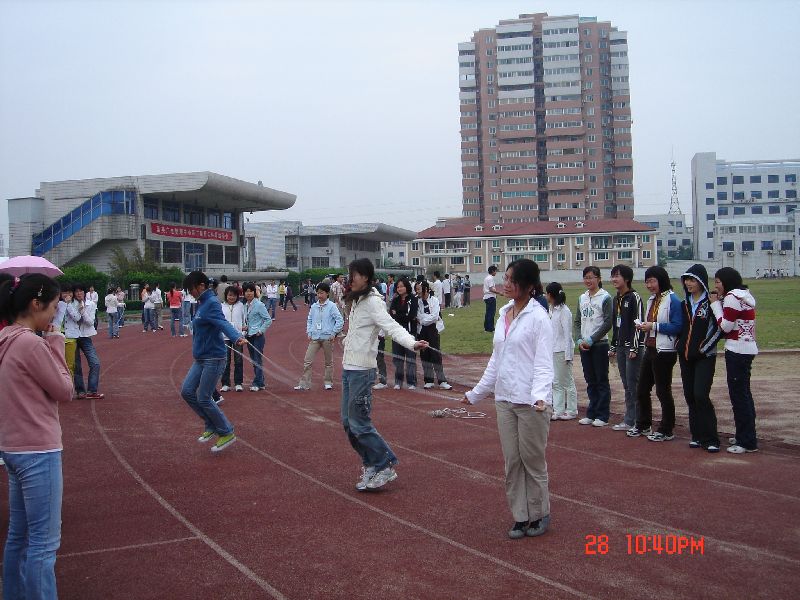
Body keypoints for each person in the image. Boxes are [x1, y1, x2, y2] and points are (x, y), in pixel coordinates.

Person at [464, 259, 554, 540]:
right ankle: (520, 515)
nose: (506, 284)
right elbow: (496, 360)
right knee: (512, 461)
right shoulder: (504, 313)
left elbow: (543, 364)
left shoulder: (539, 318)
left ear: (528, 286)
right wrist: (476, 393)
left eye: (511, 280)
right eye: (505, 278)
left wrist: (540, 396)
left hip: (530, 402)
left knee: (532, 460)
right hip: (504, 399)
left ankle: (539, 513)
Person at [0, 273, 74, 600]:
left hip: (13, 448)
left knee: (18, 535)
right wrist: (56, 342)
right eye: (54, 307)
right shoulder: (30, 343)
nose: (55, 314)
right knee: (44, 545)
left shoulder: (5, 339)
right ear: (35, 304)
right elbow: (64, 390)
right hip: (38, 451)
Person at [341, 258, 428, 491]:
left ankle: (384, 464)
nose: (351, 279)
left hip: (363, 371)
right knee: (348, 424)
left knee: (359, 423)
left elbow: (391, 326)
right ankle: (371, 463)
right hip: (349, 368)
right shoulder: (357, 300)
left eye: (355, 275)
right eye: (350, 274)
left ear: (366, 277)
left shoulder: (372, 302)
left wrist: (411, 343)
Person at [181, 271, 244, 452]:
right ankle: (210, 424)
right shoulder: (201, 304)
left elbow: (221, 322)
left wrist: (235, 337)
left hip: (214, 357)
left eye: (191, 289)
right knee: (187, 391)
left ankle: (226, 431)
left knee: (204, 397)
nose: (190, 293)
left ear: (201, 286)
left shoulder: (211, 303)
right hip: (201, 358)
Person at [628, 266, 683, 441]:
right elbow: (651, 323)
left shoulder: (672, 300)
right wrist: (644, 326)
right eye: (647, 281)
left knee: (662, 390)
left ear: (662, 280)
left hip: (665, 351)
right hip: (650, 347)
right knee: (642, 389)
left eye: (652, 281)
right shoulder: (652, 299)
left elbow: (677, 326)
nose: (649, 285)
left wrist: (653, 326)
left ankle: (667, 429)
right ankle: (644, 424)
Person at [710, 267, 759, 454]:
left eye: (718, 282)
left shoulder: (732, 297)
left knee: (739, 397)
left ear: (727, 282)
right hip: (747, 348)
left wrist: (716, 306)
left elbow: (725, 325)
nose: (716, 286)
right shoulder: (745, 295)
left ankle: (746, 441)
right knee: (744, 394)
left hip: (737, 349)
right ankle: (745, 434)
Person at [678, 265, 722, 453]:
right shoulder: (684, 304)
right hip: (686, 356)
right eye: (686, 279)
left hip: (705, 356)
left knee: (700, 395)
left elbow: (719, 329)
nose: (688, 283)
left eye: (692, 280)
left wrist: (703, 348)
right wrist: (680, 345)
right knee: (689, 396)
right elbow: (683, 328)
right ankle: (696, 435)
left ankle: (711, 438)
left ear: (701, 282)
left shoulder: (711, 304)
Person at [574, 266, 613, 427]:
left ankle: (602, 415)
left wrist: (592, 339)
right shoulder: (582, 298)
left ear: (598, 278)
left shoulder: (605, 297)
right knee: (590, 380)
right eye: (586, 277)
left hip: (600, 344)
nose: (588, 281)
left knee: (601, 380)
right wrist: (578, 339)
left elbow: (608, 322)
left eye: (591, 277)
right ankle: (591, 412)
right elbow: (577, 321)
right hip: (584, 346)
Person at [608, 264, 645, 432]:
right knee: (626, 384)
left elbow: (638, 323)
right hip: (621, 347)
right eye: (613, 276)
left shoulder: (634, 297)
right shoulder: (616, 299)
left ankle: (638, 420)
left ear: (627, 279)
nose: (614, 279)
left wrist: (635, 347)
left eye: (617, 276)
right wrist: (614, 345)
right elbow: (617, 325)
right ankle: (630, 419)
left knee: (633, 384)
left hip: (632, 348)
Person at [294, 282, 344, 391]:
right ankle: (305, 383)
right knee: (308, 360)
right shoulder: (314, 306)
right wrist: (309, 332)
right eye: (318, 293)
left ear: (327, 293)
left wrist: (333, 333)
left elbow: (340, 320)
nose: (319, 295)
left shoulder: (332, 306)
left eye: (321, 293)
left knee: (328, 362)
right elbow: (310, 320)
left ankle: (328, 382)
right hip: (315, 337)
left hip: (327, 337)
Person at [66, 283, 104, 400]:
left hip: (85, 336)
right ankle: (80, 391)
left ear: (84, 292)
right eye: (76, 291)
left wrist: (82, 311)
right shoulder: (70, 304)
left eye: (81, 291)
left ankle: (92, 390)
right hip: (73, 336)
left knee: (95, 363)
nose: (79, 294)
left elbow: (90, 322)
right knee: (76, 365)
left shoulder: (90, 304)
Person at [546, 282, 577, 421]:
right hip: (553, 350)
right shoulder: (551, 309)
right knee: (556, 382)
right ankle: (558, 409)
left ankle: (571, 410)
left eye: (547, 293)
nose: (545, 296)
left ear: (551, 294)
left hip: (562, 350)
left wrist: (568, 355)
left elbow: (567, 335)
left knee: (567, 381)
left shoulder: (564, 311)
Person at [415, 280, 452, 390]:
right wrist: (424, 319)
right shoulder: (417, 302)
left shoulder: (434, 300)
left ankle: (442, 381)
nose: (417, 291)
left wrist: (423, 319)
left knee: (435, 354)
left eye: (419, 289)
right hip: (421, 331)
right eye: (416, 289)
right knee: (424, 355)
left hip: (432, 330)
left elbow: (435, 316)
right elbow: (418, 317)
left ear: (426, 289)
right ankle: (428, 380)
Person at [389, 277, 419, 390]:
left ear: (407, 286)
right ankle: (398, 381)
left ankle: (412, 382)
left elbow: (411, 316)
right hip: (397, 333)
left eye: (402, 286)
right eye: (398, 287)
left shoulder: (413, 299)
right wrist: (401, 315)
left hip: (410, 332)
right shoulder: (395, 300)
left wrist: (398, 314)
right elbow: (392, 315)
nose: (400, 288)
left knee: (410, 358)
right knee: (398, 357)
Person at [242, 282, 272, 391]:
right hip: (249, 335)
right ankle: (261, 381)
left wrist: (261, 330)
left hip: (257, 336)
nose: (249, 293)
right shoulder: (245, 305)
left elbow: (268, 320)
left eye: (251, 291)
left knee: (257, 359)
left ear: (254, 292)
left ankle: (257, 382)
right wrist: (245, 327)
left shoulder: (259, 305)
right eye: (246, 291)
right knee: (253, 359)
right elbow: (247, 320)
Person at [220, 286, 245, 392]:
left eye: (234, 295)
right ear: (226, 295)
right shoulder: (221, 306)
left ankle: (238, 383)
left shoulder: (241, 306)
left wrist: (243, 333)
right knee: (225, 360)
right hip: (224, 337)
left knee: (238, 360)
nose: (232, 297)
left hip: (238, 337)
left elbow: (244, 321)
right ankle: (225, 383)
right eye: (230, 295)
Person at [483, 265, 502, 332]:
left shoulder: (486, 278)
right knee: (491, 313)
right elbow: (491, 289)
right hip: (490, 297)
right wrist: (499, 293)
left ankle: (486, 328)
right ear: (492, 271)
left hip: (487, 297)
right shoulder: (490, 278)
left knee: (488, 313)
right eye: (495, 271)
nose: (496, 272)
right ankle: (490, 328)